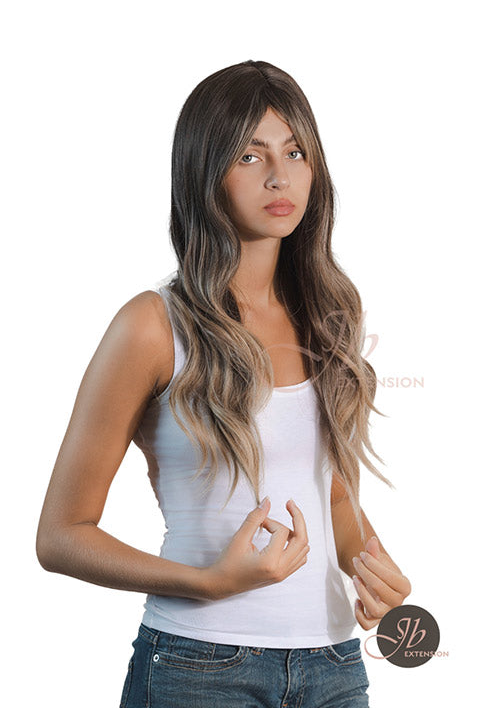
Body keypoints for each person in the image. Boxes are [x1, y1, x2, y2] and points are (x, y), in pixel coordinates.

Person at [36, 59, 411, 707]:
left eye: (295, 152)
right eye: (249, 154)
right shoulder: (153, 326)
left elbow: (333, 499)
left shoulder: (329, 319)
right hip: (200, 666)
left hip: (334, 664)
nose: (279, 175)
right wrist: (208, 582)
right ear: (204, 171)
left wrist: (374, 570)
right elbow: (61, 535)